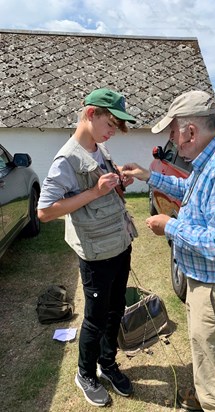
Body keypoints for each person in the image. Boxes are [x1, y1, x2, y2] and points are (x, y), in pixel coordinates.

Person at [123, 90, 215, 412]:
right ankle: (201, 396)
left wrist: (169, 226)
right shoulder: (212, 162)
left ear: (190, 131)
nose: (173, 140)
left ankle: (210, 401)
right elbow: (192, 190)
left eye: (173, 133)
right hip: (213, 287)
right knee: (208, 356)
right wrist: (150, 177)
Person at [37, 88, 138, 407]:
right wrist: (95, 192)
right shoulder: (66, 158)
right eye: (111, 123)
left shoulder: (100, 148)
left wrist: (119, 182)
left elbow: (104, 187)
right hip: (96, 253)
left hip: (119, 243)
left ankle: (107, 364)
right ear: (91, 113)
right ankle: (85, 374)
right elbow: (45, 211)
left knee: (116, 309)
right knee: (96, 318)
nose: (114, 132)